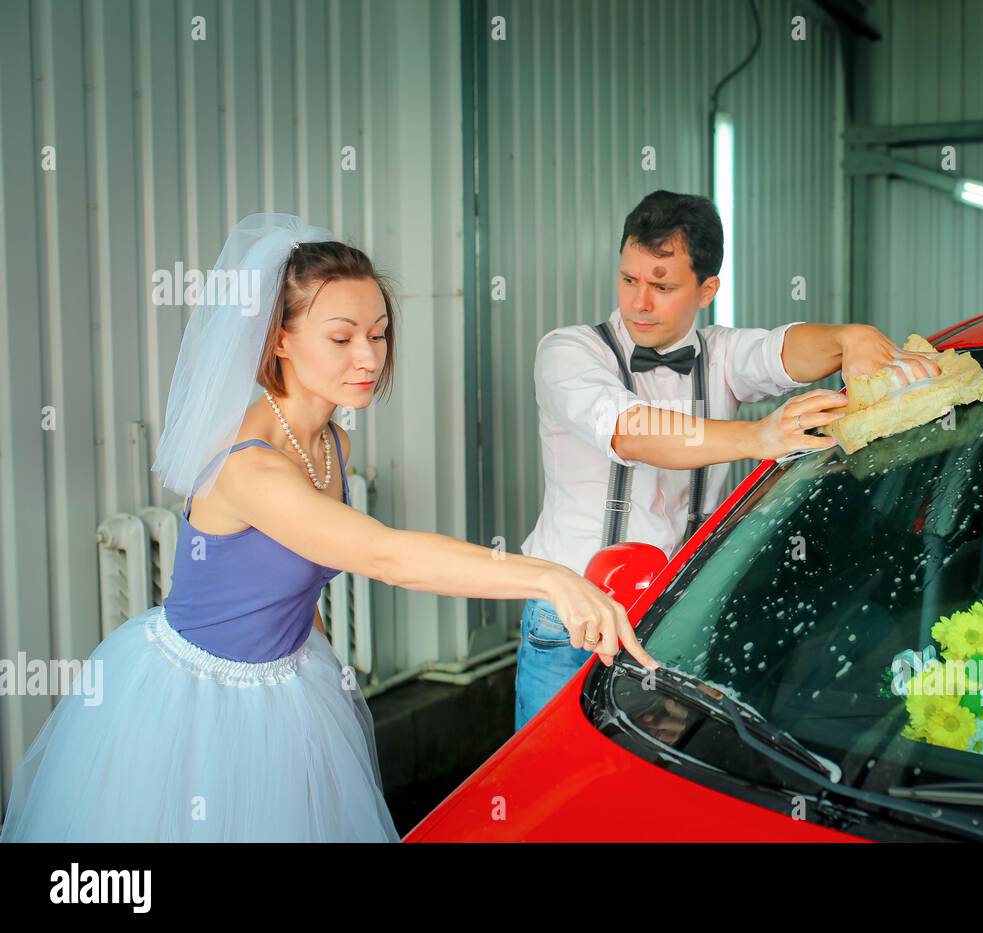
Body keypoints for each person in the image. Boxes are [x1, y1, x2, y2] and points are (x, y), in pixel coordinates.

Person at [0, 212, 654, 843]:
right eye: (341, 337)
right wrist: (551, 577)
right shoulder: (250, 468)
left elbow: (296, 578)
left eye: (379, 332)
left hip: (289, 679)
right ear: (279, 338)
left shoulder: (330, 440)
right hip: (195, 704)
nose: (368, 355)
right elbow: (388, 556)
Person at [514, 190, 939, 731]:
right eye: (628, 280)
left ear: (706, 289)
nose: (638, 302)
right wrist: (758, 436)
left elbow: (784, 350)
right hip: (571, 615)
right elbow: (628, 430)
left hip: (676, 618)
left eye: (662, 286)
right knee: (552, 780)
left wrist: (846, 338)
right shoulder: (569, 350)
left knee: (663, 782)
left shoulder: (720, 352)